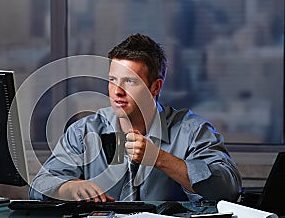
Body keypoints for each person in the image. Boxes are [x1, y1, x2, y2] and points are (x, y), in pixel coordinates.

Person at [29, 33, 241, 204]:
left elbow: (228, 189)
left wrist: (158, 158)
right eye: (112, 80)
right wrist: (70, 187)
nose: (117, 91)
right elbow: (39, 187)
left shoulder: (193, 131)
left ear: (155, 87)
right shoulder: (83, 131)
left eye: (130, 81)